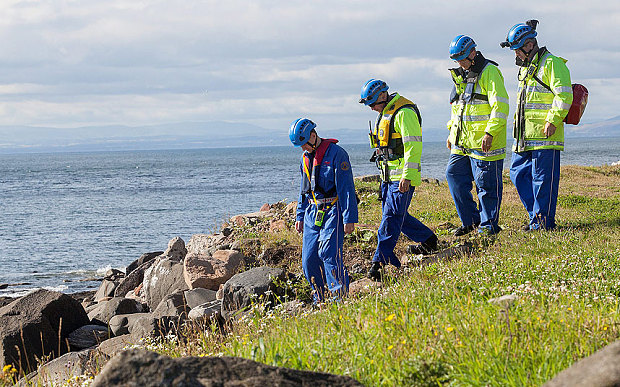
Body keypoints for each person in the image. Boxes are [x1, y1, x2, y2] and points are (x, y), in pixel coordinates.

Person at [359, 79, 438, 281]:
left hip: (401, 177)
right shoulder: (386, 113)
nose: (371, 109)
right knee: (396, 216)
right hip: (388, 177)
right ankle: (428, 240)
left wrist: (407, 177)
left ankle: (380, 261)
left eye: (372, 104)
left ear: (383, 96)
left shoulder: (404, 113)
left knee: (391, 217)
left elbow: (413, 147)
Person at [500, 20, 572, 230]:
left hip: (545, 134)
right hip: (524, 137)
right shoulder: (526, 68)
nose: (515, 55)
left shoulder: (552, 63)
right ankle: (537, 217)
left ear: (529, 44)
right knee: (517, 173)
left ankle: (542, 223)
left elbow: (564, 94)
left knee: (543, 181)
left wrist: (553, 119)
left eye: (517, 50)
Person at [446, 35, 509, 236]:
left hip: (485, 142)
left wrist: (490, 132)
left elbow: (501, 106)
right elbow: (458, 108)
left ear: (473, 53)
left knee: (487, 186)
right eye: (457, 60)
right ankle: (471, 221)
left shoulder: (490, 72)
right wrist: (451, 132)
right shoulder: (460, 75)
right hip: (462, 142)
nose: (460, 63)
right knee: (453, 175)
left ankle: (489, 226)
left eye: (463, 59)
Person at [290, 118, 358, 302]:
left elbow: (346, 188)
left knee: (329, 253)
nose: (303, 148)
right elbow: (304, 190)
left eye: (304, 143)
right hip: (312, 212)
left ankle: (339, 299)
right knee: (308, 260)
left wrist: (349, 217)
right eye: (300, 146)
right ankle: (319, 299)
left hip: (333, 210)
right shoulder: (305, 158)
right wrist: (300, 215)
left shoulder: (337, 154)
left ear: (313, 135)